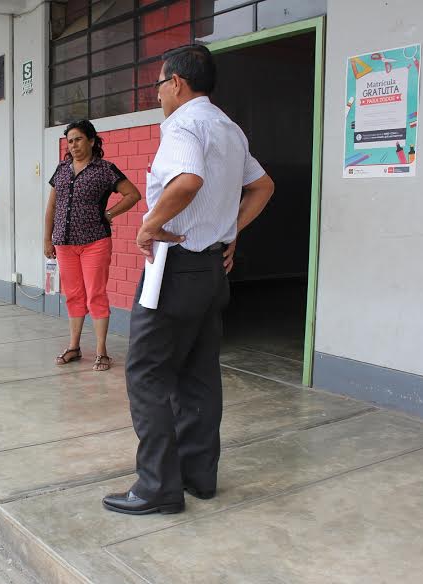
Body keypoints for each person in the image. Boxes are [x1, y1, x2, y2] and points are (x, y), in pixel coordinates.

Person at [102, 45, 275, 515]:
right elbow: (263, 186)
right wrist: (231, 230)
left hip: (176, 270)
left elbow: (188, 180)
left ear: (176, 82)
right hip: (212, 271)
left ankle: (158, 486)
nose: (158, 95)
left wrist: (148, 223)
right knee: (198, 375)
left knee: (147, 373)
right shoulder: (228, 128)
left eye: (159, 85)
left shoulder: (183, 124)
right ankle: (198, 475)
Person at [44, 119, 142, 371]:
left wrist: (109, 214)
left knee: (95, 294)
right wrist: (47, 238)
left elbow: (133, 194)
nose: (73, 145)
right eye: (70, 141)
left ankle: (101, 351)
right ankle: (74, 347)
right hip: (64, 243)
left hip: (95, 241)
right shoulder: (62, 170)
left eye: (78, 139)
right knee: (74, 295)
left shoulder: (105, 169)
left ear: (91, 140)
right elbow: (52, 206)